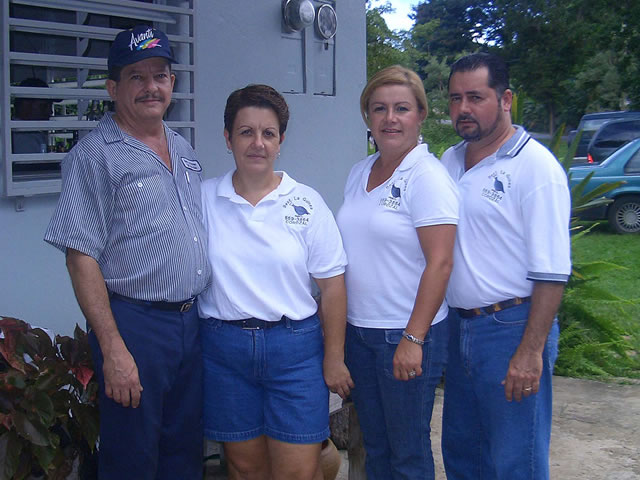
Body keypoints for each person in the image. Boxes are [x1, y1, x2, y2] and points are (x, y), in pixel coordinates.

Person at [44, 25, 210, 479]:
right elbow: (81, 256)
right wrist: (113, 348)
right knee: (132, 456)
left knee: (183, 449)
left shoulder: (183, 148)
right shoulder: (94, 155)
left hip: (190, 322)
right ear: (113, 87)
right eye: (137, 77)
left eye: (160, 75)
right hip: (136, 326)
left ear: (173, 83)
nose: (151, 86)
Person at [198, 84, 353, 480]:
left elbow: (333, 286)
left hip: (295, 351)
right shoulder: (202, 200)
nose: (257, 143)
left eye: (268, 133)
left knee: (297, 472)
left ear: (281, 141)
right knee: (245, 469)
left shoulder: (306, 203)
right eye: (246, 132)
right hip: (224, 350)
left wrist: (334, 356)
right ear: (228, 137)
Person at [440, 53, 571, 480]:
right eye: (456, 98)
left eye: (476, 97)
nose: (463, 109)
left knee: (517, 460)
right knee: (464, 454)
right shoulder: (449, 161)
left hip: (511, 328)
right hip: (459, 328)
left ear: (506, 98)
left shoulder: (535, 168)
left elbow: (552, 272)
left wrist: (530, 352)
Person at [336, 65, 459, 479]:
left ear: (420, 114)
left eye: (402, 108)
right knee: (377, 446)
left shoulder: (427, 178)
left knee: (407, 452)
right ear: (367, 117)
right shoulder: (360, 172)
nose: (390, 118)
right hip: (360, 332)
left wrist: (413, 338)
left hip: (402, 335)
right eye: (379, 108)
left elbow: (441, 262)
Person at [12, 77, 57, 153]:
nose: (50, 112)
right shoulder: (25, 138)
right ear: (25, 105)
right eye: (43, 106)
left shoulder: (26, 133)